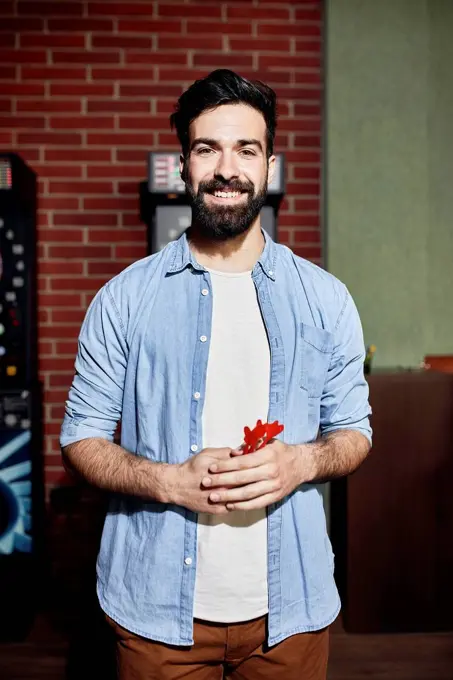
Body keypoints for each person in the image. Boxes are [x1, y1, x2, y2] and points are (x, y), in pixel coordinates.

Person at [60, 69, 372, 680]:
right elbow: (81, 440)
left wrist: (301, 462)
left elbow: (354, 431)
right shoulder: (124, 299)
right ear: (185, 164)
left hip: (291, 613)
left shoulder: (326, 300)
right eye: (208, 148)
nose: (227, 168)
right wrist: (171, 483)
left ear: (269, 165)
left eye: (246, 149)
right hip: (154, 614)